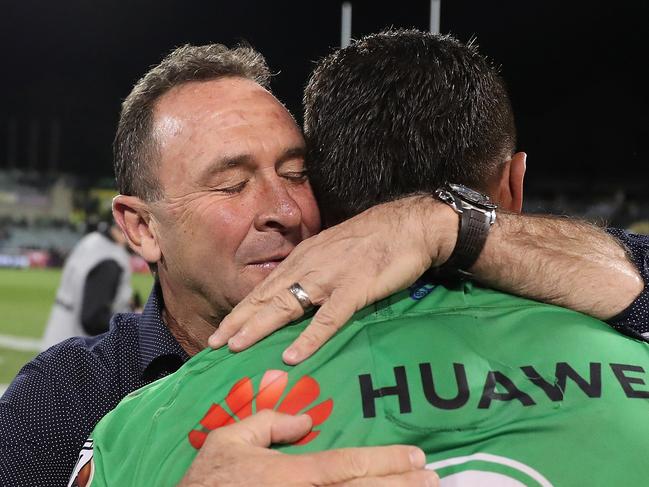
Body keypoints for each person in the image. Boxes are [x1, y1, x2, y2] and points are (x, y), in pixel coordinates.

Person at [0, 41, 646, 486]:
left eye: (297, 172)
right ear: (141, 227)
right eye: (232, 184)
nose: (282, 206)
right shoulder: (70, 401)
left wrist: (444, 223)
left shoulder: (394, 332)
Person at [41, 219, 133, 350]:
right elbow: (92, 319)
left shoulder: (91, 240)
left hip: (55, 342)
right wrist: (131, 322)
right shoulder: (111, 260)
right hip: (75, 355)